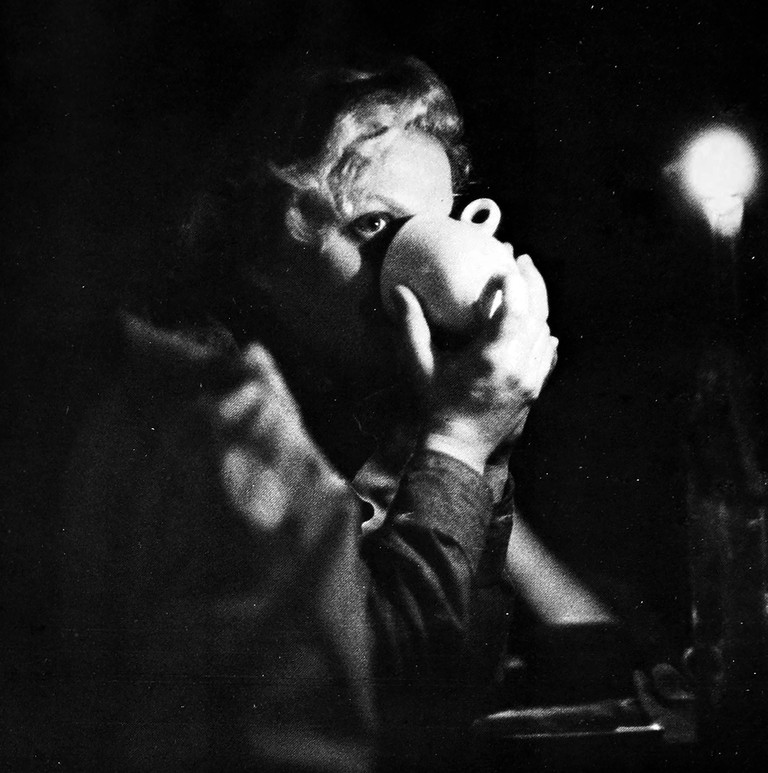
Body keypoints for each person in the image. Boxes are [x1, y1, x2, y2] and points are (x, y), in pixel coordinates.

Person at [58, 52, 557, 771]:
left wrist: (485, 451)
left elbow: (457, 679)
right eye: (374, 226)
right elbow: (385, 701)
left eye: (437, 224)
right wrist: (459, 444)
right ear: (259, 245)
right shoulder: (214, 419)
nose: (412, 257)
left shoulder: (340, 401)